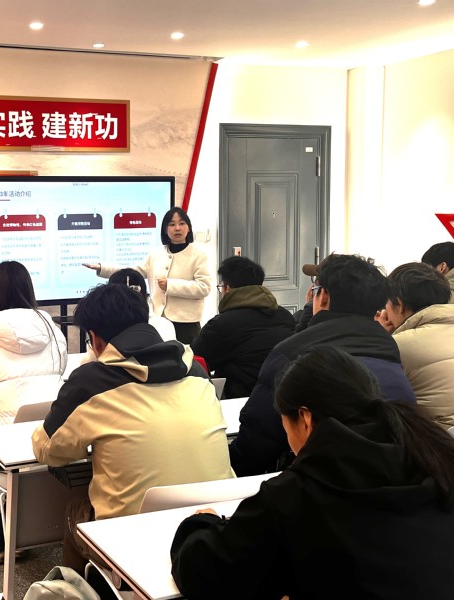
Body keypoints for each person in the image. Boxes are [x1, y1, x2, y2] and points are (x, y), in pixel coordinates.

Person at [170, 346, 454, 600]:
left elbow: (204, 575)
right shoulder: (431, 454)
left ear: (304, 418)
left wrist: (201, 522)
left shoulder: (296, 493)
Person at [32, 283, 233, 573]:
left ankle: (85, 588)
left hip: (131, 537)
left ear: (95, 339)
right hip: (212, 524)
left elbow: (47, 450)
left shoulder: (91, 382)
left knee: (75, 510)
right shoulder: (196, 372)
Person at [229, 254, 416, 476]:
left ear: (323, 297)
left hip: (323, 483)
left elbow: (257, 442)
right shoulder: (390, 350)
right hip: (396, 476)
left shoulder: (290, 354)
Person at [0, 261, 68, 564]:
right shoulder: (52, 328)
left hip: (9, 446)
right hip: (51, 433)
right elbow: (61, 368)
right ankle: (24, 528)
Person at [83, 207, 211, 345]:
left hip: (186, 323)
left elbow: (204, 287)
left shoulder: (199, 255)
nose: (177, 228)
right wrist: (102, 268)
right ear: (165, 229)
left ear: (189, 227)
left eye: (182, 223)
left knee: (185, 356)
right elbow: (133, 272)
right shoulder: (156, 254)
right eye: (172, 224)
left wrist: (170, 285)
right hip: (158, 320)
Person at [191, 256, 295, 398]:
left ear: (227, 288)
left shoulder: (221, 324)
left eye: (221, 287)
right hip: (283, 397)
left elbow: (195, 360)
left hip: (238, 400)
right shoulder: (285, 317)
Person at [376, 262, 454, 427]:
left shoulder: (397, 345)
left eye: (386, 303)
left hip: (436, 438)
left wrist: (382, 336)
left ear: (399, 305)